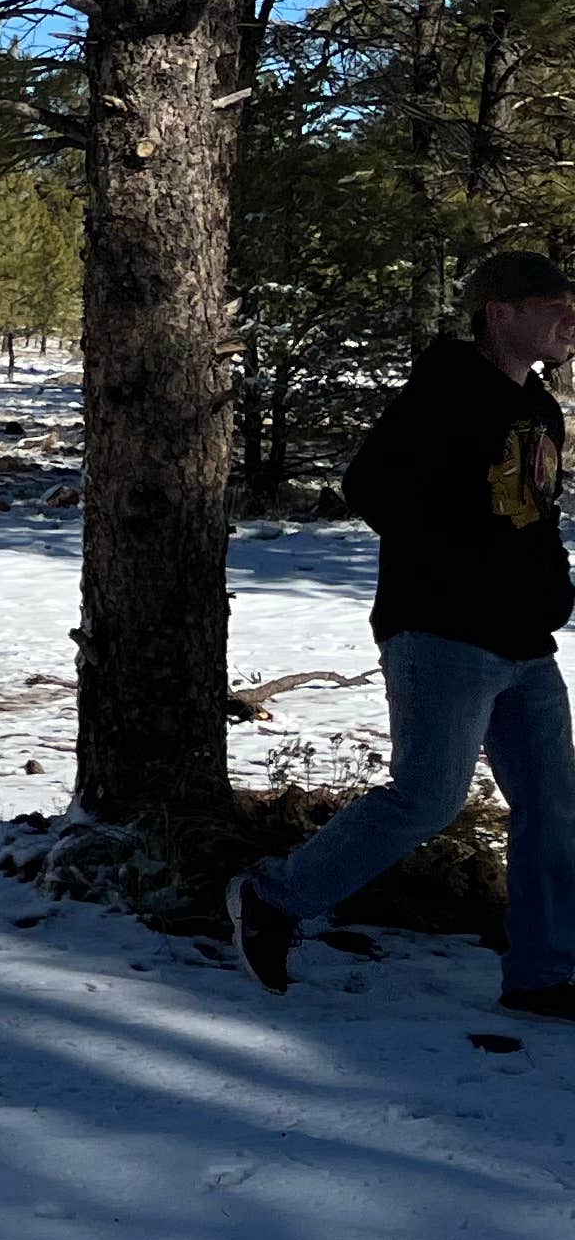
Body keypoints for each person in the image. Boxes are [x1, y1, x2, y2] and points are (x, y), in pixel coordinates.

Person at [232, 250, 575, 1017]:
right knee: (426, 800)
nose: (570, 322)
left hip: (526, 644)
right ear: (500, 313)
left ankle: (544, 975)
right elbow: (372, 487)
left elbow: (536, 515)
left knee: (554, 808)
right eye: (556, 306)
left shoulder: (540, 408)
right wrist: (464, 566)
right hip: (443, 632)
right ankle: (272, 897)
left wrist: (550, 585)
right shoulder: (445, 392)